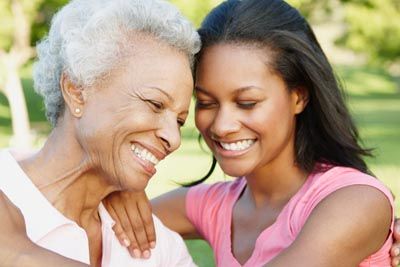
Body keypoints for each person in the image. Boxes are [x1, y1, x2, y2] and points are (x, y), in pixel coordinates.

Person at [102, 0, 400, 266]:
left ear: (299, 97)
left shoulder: (356, 200)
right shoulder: (215, 206)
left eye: (247, 103)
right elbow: (97, 222)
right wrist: (119, 192)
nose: (221, 125)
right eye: (206, 102)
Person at [0, 0, 200, 266]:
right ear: (77, 90)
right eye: (155, 104)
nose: (173, 139)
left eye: (180, 121)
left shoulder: (156, 246)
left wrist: (20, 256)